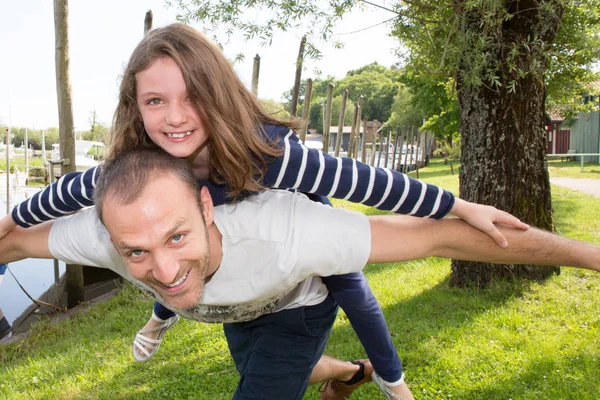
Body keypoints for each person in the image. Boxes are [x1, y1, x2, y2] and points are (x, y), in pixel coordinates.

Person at [0, 23, 528, 399]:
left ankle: (392, 380)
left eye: (192, 97)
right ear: (135, 110)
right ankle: (348, 373)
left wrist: (457, 204)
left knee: (353, 292)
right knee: (174, 266)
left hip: (303, 262)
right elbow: (67, 193)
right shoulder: (139, 173)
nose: (176, 117)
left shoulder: (266, 159)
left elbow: (364, 183)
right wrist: (9, 223)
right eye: (156, 101)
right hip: (232, 275)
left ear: (218, 94)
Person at [1, 148, 598, 400]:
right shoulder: (102, 232)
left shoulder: (292, 231)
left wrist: (591, 256)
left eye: (177, 236)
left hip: (296, 305)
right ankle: (348, 375)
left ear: (208, 208)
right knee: (283, 367)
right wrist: (157, 322)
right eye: (136, 253)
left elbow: (440, 233)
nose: (163, 269)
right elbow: (13, 240)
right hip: (233, 314)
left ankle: (367, 372)